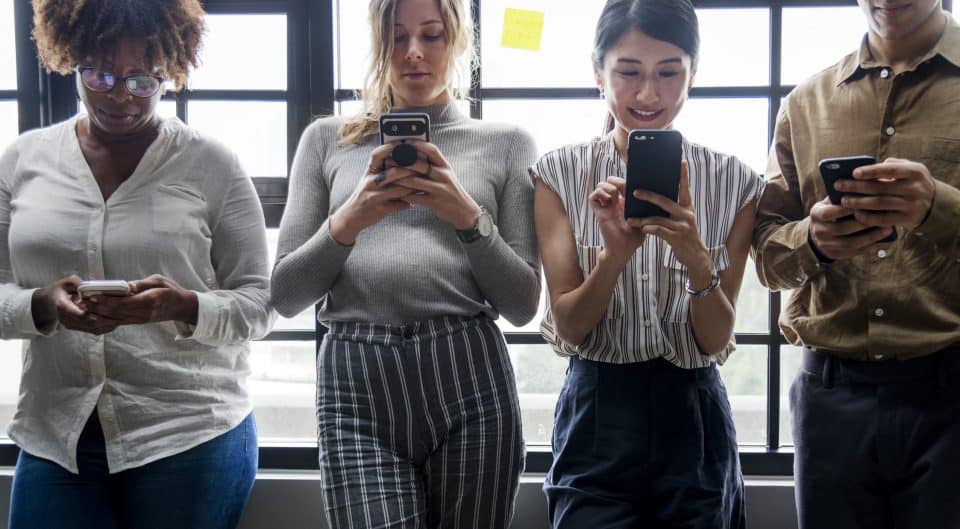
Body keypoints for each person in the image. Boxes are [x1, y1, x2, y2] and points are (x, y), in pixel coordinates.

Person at [0, 1, 275, 527]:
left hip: (188, 433)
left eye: (142, 79)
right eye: (100, 74)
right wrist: (40, 305)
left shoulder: (212, 164)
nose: (121, 94)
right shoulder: (22, 160)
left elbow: (260, 302)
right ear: (71, 58)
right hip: (56, 434)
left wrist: (182, 306)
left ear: (170, 69)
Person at [269, 0, 539, 526]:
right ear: (377, 43)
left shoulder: (507, 144)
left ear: (459, 43)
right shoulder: (326, 140)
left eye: (432, 36)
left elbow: (523, 304)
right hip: (356, 384)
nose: (413, 53)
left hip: (469, 376)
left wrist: (467, 216)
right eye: (396, 37)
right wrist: (349, 220)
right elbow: (284, 293)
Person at [531, 0, 762, 527]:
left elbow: (716, 340)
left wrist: (696, 260)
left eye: (668, 73)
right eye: (628, 72)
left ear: (693, 75)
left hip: (694, 408)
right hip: (597, 403)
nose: (647, 94)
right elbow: (568, 327)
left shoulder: (737, 183)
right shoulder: (559, 173)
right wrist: (613, 259)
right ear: (598, 72)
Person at [752, 1, 960, 527]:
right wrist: (812, 239)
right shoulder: (805, 102)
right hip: (829, 399)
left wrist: (939, 208)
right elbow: (767, 258)